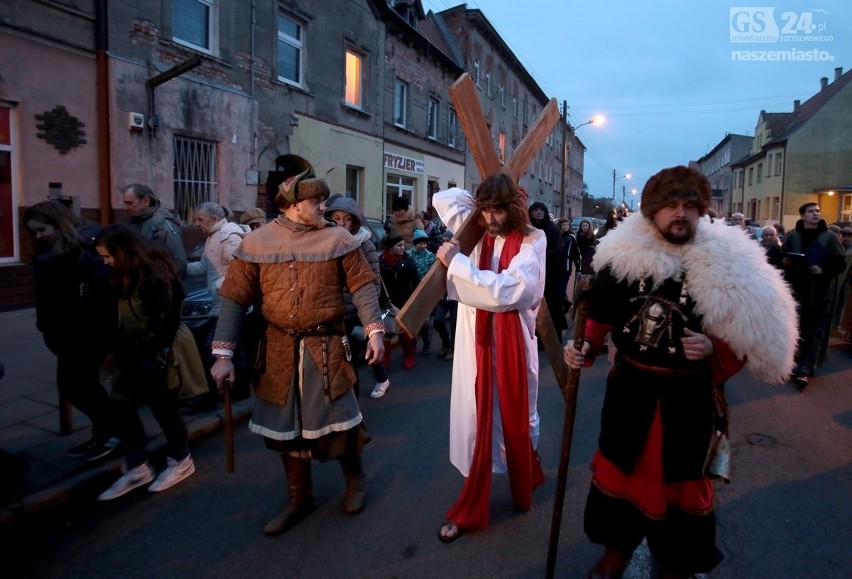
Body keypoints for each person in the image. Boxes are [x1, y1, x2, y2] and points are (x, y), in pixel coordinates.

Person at [563, 166, 798, 579]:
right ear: (652, 212)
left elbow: (747, 335)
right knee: (620, 474)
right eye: (671, 205)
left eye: (690, 206)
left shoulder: (727, 265)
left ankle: (676, 563)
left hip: (688, 402)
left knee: (683, 486)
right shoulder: (623, 258)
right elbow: (599, 317)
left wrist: (713, 348)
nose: (680, 213)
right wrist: (584, 346)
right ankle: (617, 551)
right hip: (629, 394)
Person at [209, 169, 385, 535]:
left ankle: (356, 481)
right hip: (277, 350)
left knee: (341, 421)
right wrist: (222, 355)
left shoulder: (338, 239)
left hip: (327, 348)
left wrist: (374, 332)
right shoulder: (257, 242)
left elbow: (364, 286)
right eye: (316, 202)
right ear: (291, 205)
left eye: (323, 200)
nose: (324, 206)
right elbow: (233, 300)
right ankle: (299, 497)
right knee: (285, 430)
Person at [431, 173, 546, 543]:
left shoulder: (533, 239)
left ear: (514, 207)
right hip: (475, 343)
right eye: (486, 210)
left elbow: (511, 291)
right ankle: (472, 500)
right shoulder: (474, 229)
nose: (492, 219)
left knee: (517, 418)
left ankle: (522, 482)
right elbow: (443, 198)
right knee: (477, 421)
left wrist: (458, 264)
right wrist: (485, 191)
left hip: (512, 343)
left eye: (499, 210)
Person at [94, 224, 196, 501]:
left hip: (155, 355)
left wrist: (131, 349)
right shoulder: (121, 275)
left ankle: (181, 460)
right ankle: (138, 466)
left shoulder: (156, 276)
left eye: (108, 256)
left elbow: (164, 323)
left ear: (124, 252)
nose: (105, 262)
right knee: (119, 407)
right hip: (132, 355)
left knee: (164, 410)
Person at [23, 200, 118, 461]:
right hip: (64, 333)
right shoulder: (54, 251)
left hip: (84, 333)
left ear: (60, 224)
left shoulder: (82, 251)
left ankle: (113, 432)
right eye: (34, 232)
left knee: (78, 387)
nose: (38, 236)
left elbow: (99, 295)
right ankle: (107, 432)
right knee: (76, 386)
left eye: (42, 229)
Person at [183, 202, 249, 412]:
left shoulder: (228, 234)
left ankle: (219, 393)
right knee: (231, 348)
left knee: (216, 347)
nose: (197, 225)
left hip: (229, 304)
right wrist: (178, 268)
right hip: (222, 303)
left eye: (200, 220)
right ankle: (237, 391)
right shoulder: (214, 235)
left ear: (213, 219)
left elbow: (240, 267)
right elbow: (205, 266)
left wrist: (222, 288)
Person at [324, 196, 389, 399]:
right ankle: (351, 397)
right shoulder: (324, 243)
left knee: (366, 350)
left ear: (354, 222)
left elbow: (373, 283)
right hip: (335, 311)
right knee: (344, 357)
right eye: (336, 218)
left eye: (346, 219)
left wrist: (367, 318)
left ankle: (381, 379)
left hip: (358, 311)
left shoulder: (364, 245)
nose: (341, 223)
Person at [781, 202, 847, 387]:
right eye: (811, 211)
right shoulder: (794, 235)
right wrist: (786, 262)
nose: (816, 214)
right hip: (798, 289)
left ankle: (807, 367)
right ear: (802, 215)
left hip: (821, 290)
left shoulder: (829, 237)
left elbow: (840, 264)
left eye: (817, 211)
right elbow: (784, 256)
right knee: (797, 327)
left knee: (816, 327)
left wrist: (823, 269)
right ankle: (794, 362)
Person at [121, 183, 188, 277]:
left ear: (145, 201)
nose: (126, 208)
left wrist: (163, 285)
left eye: (130, 203)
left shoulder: (162, 225)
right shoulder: (135, 221)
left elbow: (179, 263)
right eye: (125, 203)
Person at [379, 232, 421, 372]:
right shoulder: (380, 261)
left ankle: (409, 356)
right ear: (390, 247)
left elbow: (416, 282)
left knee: (404, 333)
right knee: (386, 333)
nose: (403, 248)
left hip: (404, 301)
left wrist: (416, 301)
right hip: (386, 302)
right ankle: (385, 360)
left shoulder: (408, 261)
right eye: (399, 245)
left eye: (403, 245)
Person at [529, 202, 568, 339]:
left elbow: (557, 250)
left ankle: (553, 338)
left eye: (541, 210)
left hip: (551, 274)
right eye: (535, 210)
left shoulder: (552, 229)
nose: (539, 212)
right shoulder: (529, 228)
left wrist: (540, 254)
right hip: (533, 272)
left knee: (551, 306)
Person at [409, 228, 436, 354]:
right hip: (411, 291)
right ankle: (411, 345)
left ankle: (427, 343)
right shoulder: (408, 255)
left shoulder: (430, 256)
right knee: (411, 319)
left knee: (425, 320)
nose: (423, 246)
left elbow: (433, 272)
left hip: (425, 291)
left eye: (425, 243)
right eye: (420, 243)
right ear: (415, 243)